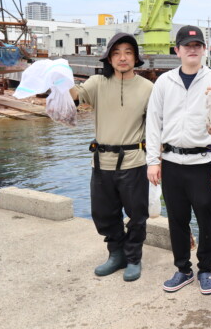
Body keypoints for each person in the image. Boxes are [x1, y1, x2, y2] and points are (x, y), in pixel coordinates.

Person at [145, 25, 211, 295]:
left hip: (205, 162)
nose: (192, 50)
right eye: (186, 46)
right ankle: (183, 269)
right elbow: (153, 122)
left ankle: (206, 269)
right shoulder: (163, 81)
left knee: (207, 219)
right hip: (170, 161)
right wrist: (152, 160)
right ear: (177, 50)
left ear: (204, 50)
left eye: (197, 46)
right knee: (177, 219)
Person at [69, 32, 153, 282]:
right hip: (101, 161)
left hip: (134, 160)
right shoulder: (97, 83)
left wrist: (158, 161)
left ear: (136, 57)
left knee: (137, 215)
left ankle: (134, 258)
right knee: (104, 213)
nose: (122, 57)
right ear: (109, 58)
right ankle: (116, 254)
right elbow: (75, 96)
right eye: (116, 53)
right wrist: (60, 78)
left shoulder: (148, 88)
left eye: (128, 52)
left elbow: (158, 125)